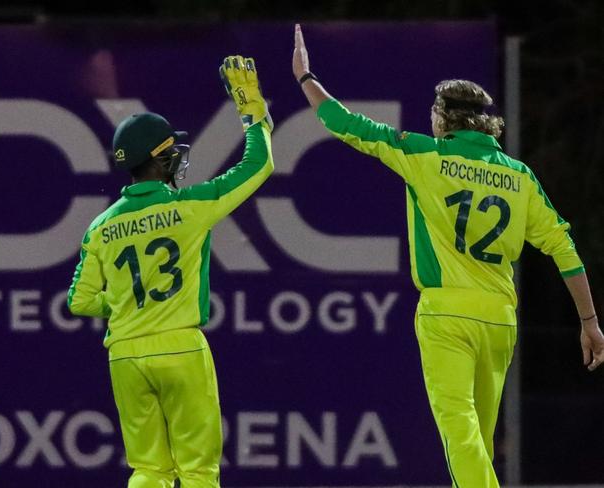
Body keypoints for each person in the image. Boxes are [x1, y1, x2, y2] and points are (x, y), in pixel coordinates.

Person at [292, 23, 604, 487]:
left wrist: (305, 78)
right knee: (477, 440)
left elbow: (346, 124)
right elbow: (564, 249)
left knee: (461, 434)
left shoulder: (425, 155)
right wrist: (589, 322)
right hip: (499, 318)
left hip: (446, 314)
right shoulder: (520, 176)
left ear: (443, 118)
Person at [67, 55, 273, 488]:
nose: (180, 157)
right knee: (197, 470)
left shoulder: (100, 227)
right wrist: (252, 109)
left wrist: (121, 302)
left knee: (148, 470)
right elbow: (258, 165)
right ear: (159, 159)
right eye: (173, 151)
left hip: (124, 353)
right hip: (180, 346)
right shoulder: (188, 207)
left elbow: (80, 301)